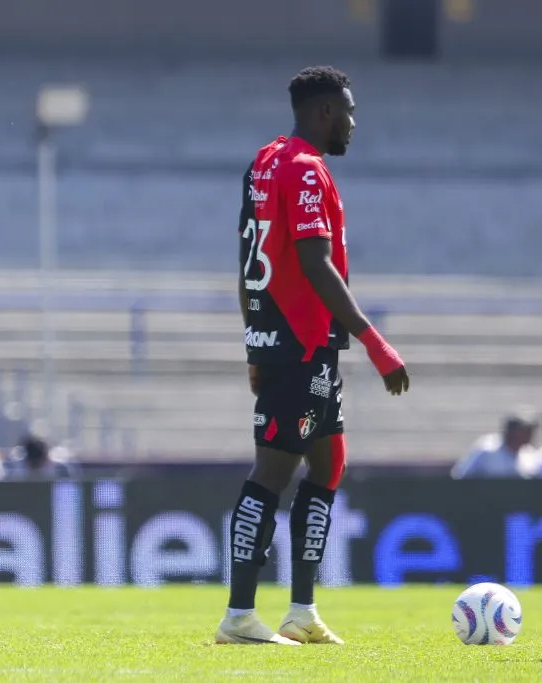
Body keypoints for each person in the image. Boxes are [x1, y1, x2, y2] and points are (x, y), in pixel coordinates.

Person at [218, 66, 410, 646]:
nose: (353, 122)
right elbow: (313, 261)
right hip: (301, 341)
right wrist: (375, 342)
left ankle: (301, 608)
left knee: (327, 465)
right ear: (325, 111)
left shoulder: (266, 159)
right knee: (272, 472)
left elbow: (250, 253)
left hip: (290, 341)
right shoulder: (304, 168)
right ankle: (239, 616)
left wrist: (254, 339)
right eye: (347, 111)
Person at [451, 408, 540, 479]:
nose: (530, 435)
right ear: (512, 431)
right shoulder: (487, 450)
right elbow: (461, 476)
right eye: (525, 431)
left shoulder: (530, 456)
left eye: (531, 430)